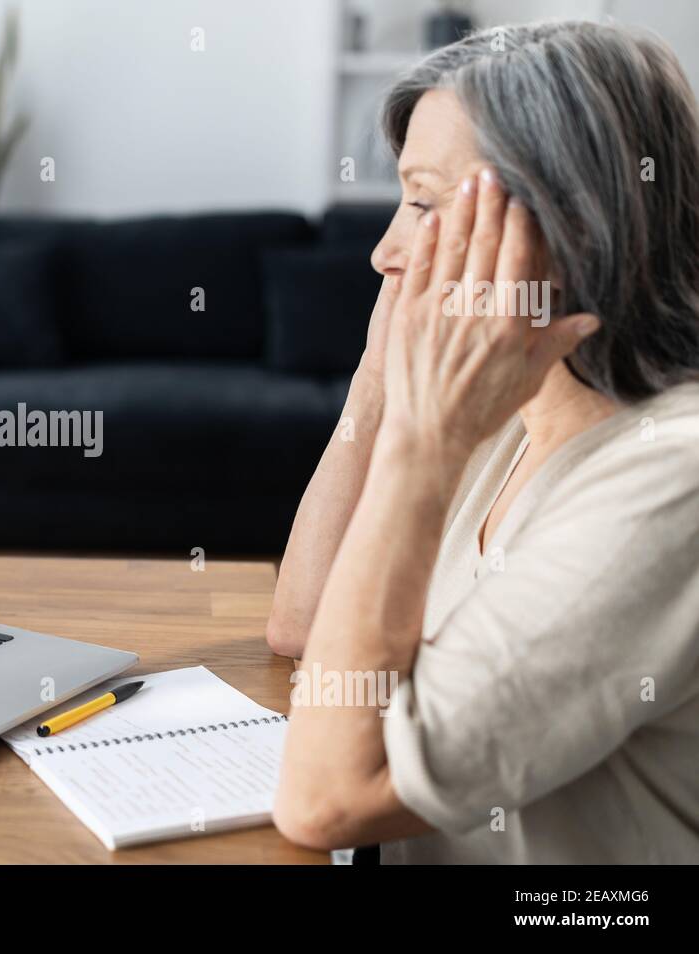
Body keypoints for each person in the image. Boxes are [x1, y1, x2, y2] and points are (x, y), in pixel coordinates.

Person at [267, 21, 699, 862]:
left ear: (571, 225)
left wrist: (422, 443)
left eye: (424, 203)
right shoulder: (512, 411)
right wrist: (378, 376)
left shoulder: (671, 478)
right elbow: (308, 625)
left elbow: (327, 801)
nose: (386, 251)